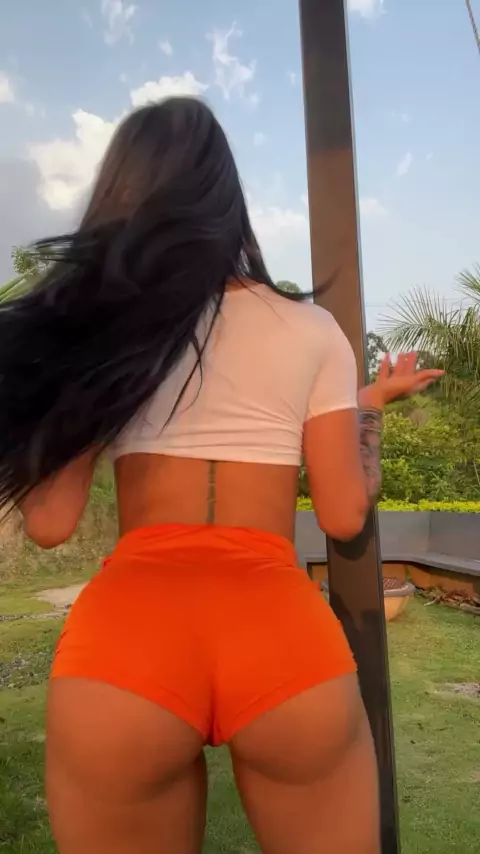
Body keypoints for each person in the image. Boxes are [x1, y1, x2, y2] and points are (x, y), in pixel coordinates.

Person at [0, 97, 443, 854]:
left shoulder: (104, 328)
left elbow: (49, 524)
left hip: (127, 646)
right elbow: (342, 514)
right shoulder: (312, 331)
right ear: (226, 198)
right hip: (280, 640)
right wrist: (365, 407)